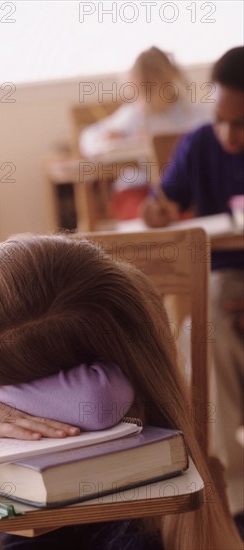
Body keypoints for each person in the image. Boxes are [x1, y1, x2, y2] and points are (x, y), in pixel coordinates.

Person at [0, 234, 241, 549]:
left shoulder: (104, 327)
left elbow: (98, 404)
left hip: (123, 500)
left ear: (48, 365)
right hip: (16, 504)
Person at [141, 46, 244, 529]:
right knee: (205, 334)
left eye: (241, 124)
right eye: (221, 118)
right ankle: (235, 495)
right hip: (221, 276)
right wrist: (156, 209)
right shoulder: (200, 143)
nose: (228, 135)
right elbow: (158, 205)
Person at [79, 46, 212, 158]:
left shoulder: (194, 113)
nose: (147, 98)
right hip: (139, 182)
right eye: (142, 90)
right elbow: (87, 139)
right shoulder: (133, 115)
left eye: (151, 86)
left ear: (169, 79)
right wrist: (106, 140)